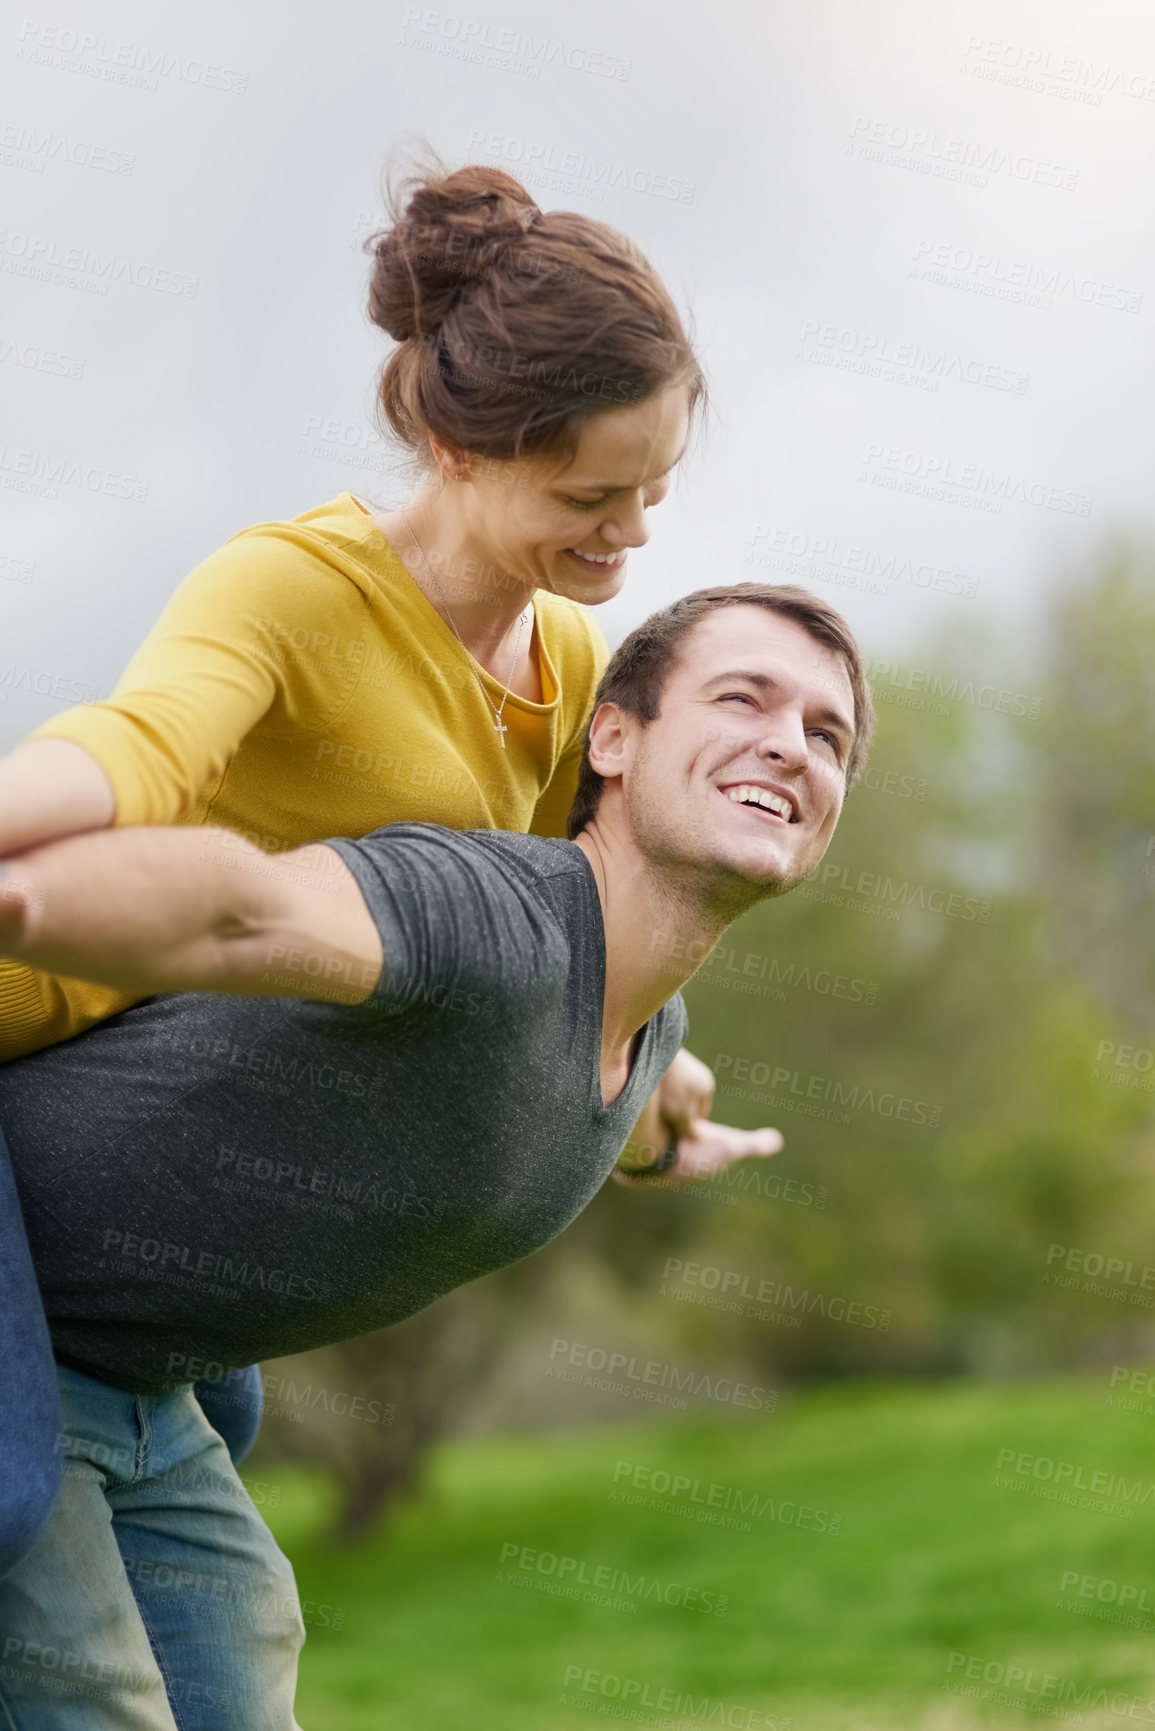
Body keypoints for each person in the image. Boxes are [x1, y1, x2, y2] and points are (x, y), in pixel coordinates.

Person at [0, 152, 733, 1548]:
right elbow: (134, 751)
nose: (633, 534)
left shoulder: (571, 665)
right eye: (591, 496)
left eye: (655, 486)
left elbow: (562, 950)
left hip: (133, 1123)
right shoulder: (291, 584)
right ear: (458, 449)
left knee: (220, 1437)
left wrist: (657, 1077)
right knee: (12, 1483)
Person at [0, 581, 874, 1729]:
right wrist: (21, 897)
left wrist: (663, 1144)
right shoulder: (486, 920)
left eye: (827, 735)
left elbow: (628, 1088)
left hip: (130, 1383)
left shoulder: (646, 1032)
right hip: (33, 1356)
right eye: (743, 699)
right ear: (612, 737)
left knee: (242, 1659)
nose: (788, 746)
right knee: (94, 1694)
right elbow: (245, 910)